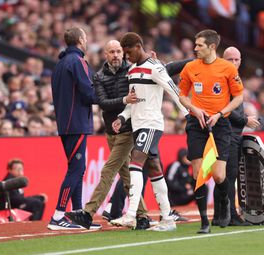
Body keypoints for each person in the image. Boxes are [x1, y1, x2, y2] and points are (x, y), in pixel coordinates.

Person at [65, 40, 191, 230]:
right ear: (105, 55)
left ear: (131, 50)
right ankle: (149, 217)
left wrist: (189, 112)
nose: (118, 55)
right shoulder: (106, 75)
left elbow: (168, 77)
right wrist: (122, 117)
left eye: (121, 52)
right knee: (137, 174)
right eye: (113, 52)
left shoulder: (140, 67)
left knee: (119, 168)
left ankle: (96, 214)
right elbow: (107, 102)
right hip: (117, 129)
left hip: (139, 129)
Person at [110, 32, 188, 231]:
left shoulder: (156, 68)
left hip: (151, 124)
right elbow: (132, 101)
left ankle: (130, 215)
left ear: (138, 46)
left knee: (135, 163)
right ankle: (168, 219)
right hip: (137, 124)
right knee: (154, 169)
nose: (127, 57)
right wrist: (122, 117)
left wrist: (189, 113)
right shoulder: (132, 71)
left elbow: (174, 91)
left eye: (128, 52)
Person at [178, 29, 244, 234]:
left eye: (199, 45)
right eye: (195, 45)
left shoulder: (227, 69)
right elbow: (181, 95)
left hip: (220, 124)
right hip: (197, 123)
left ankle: (224, 202)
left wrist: (220, 113)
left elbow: (238, 97)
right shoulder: (190, 68)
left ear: (212, 47)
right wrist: (194, 109)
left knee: (218, 175)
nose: (195, 48)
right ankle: (204, 222)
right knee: (198, 174)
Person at [47, 27, 99, 230]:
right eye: (85, 37)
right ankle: (58, 214)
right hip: (76, 123)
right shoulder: (78, 62)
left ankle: (77, 213)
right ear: (80, 40)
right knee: (76, 169)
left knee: (79, 168)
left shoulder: (60, 63)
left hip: (65, 123)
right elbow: (89, 93)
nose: (86, 41)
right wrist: (112, 98)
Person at [212, 46, 260, 227]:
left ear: (240, 61)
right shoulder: (224, 79)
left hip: (228, 133)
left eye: (236, 60)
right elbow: (225, 109)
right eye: (229, 59)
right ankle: (231, 215)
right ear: (223, 60)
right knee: (229, 176)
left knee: (222, 177)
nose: (233, 63)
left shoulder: (231, 78)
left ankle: (219, 215)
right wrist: (245, 119)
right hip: (228, 134)